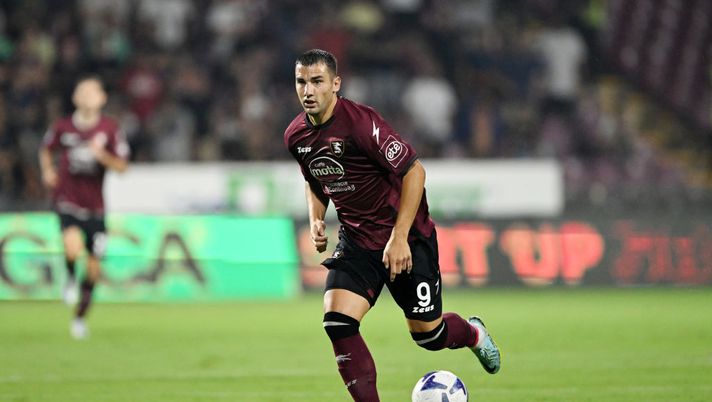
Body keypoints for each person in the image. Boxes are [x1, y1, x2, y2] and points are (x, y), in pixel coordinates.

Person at [284, 49, 501, 402]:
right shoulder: (296, 136)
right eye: (301, 82)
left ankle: (473, 334)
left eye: (317, 81)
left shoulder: (361, 124)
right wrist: (315, 217)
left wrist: (400, 237)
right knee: (337, 321)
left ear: (335, 84)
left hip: (408, 239)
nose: (308, 90)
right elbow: (314, 179)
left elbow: (415, 171)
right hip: (357, 240)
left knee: (429, 336)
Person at [39, 76, 129, 340]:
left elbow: (123, 167)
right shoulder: (63, 127)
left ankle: (79, 318)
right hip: (67, 200)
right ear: (76, 98)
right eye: (83, 91)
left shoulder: (110, 129)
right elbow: (46, 149)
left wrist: (101, 155)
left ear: (102, 99)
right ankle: (68, 277)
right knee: (72, 245)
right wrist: (47, 170)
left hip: (96, 208)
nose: (88, 96)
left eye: (93, 92)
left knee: (93, 269)